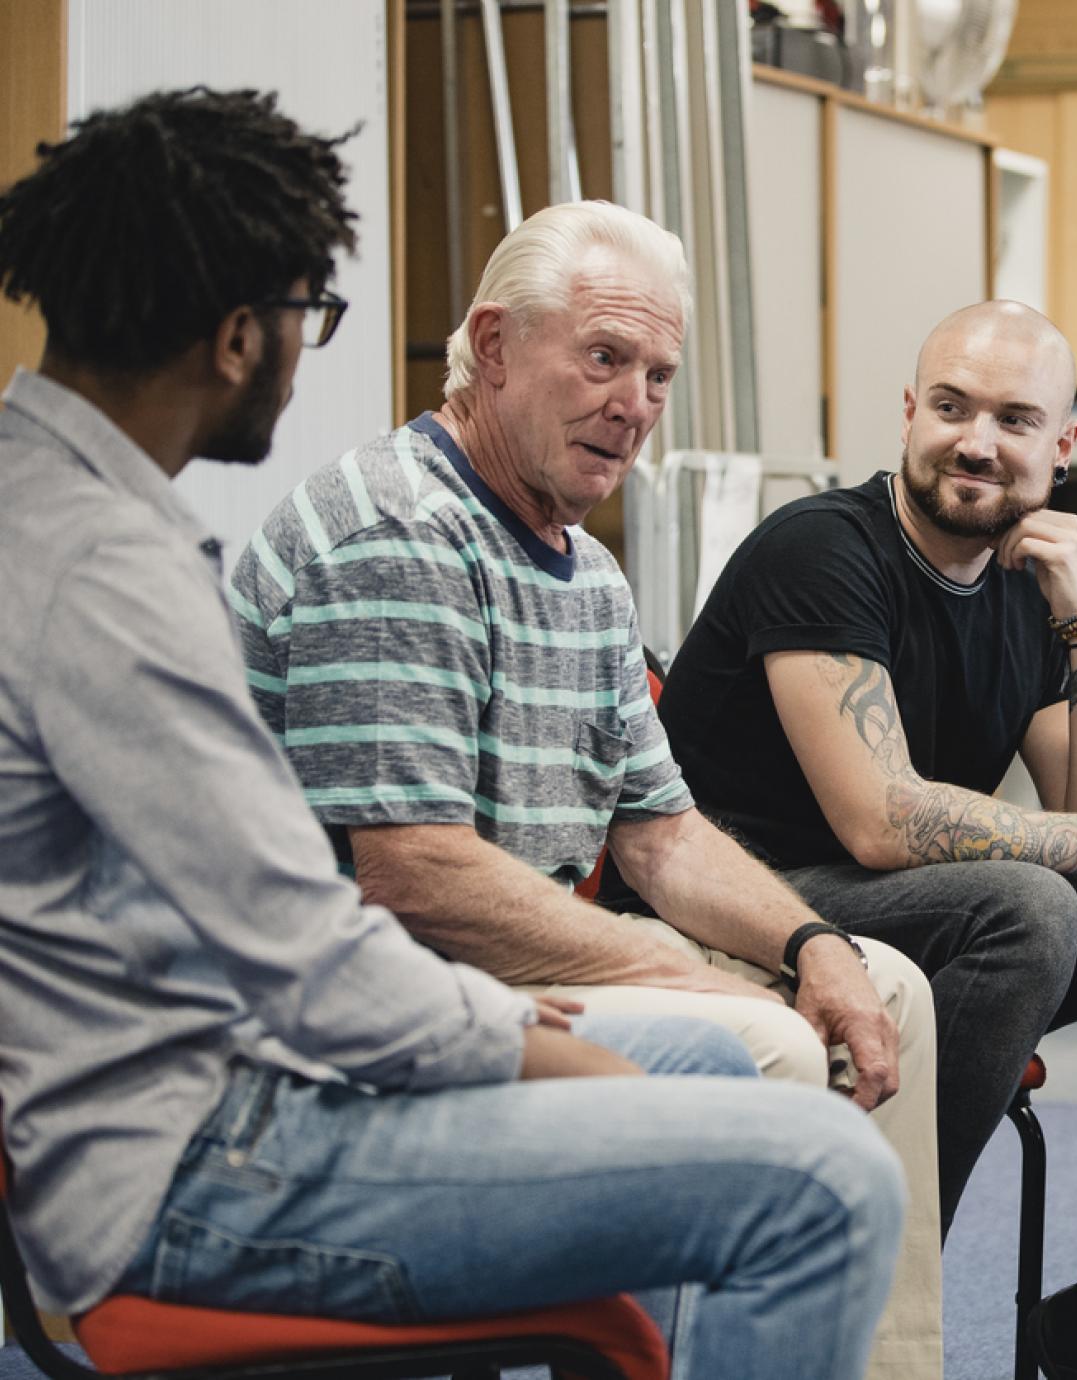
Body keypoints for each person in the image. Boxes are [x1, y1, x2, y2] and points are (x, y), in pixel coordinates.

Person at [0, 86, 901, 1380]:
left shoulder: (56, 510)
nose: (635, 402)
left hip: (225, 1079)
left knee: (714, 1048)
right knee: (819, 1182)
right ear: (242, 337)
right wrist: (549, 1059)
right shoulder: (112, 576)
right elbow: (317, 951)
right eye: (311, 314)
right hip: (203, 1156)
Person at [230, 198, 941, 1380]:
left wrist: (813, 941)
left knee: (887, 988)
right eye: (604, 357)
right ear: (495, 347)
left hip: (514, 961)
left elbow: (662, 834)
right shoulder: (402, 534)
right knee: (762, 1045)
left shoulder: (586, 570)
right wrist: (663, 966)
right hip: (378, 1003)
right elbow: (409, 873)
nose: (635, 404)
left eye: (657, 374)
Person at [659, 300, 1077, 1380]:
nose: (975, 441)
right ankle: (858, 1274)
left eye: (1013, 419)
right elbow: (878, 819)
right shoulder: (820, 549)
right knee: (1026, 902)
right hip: (744, 905)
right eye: (950, 407)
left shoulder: (1025, 591)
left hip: (907, 919)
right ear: (908, 413)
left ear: (1059, 448)